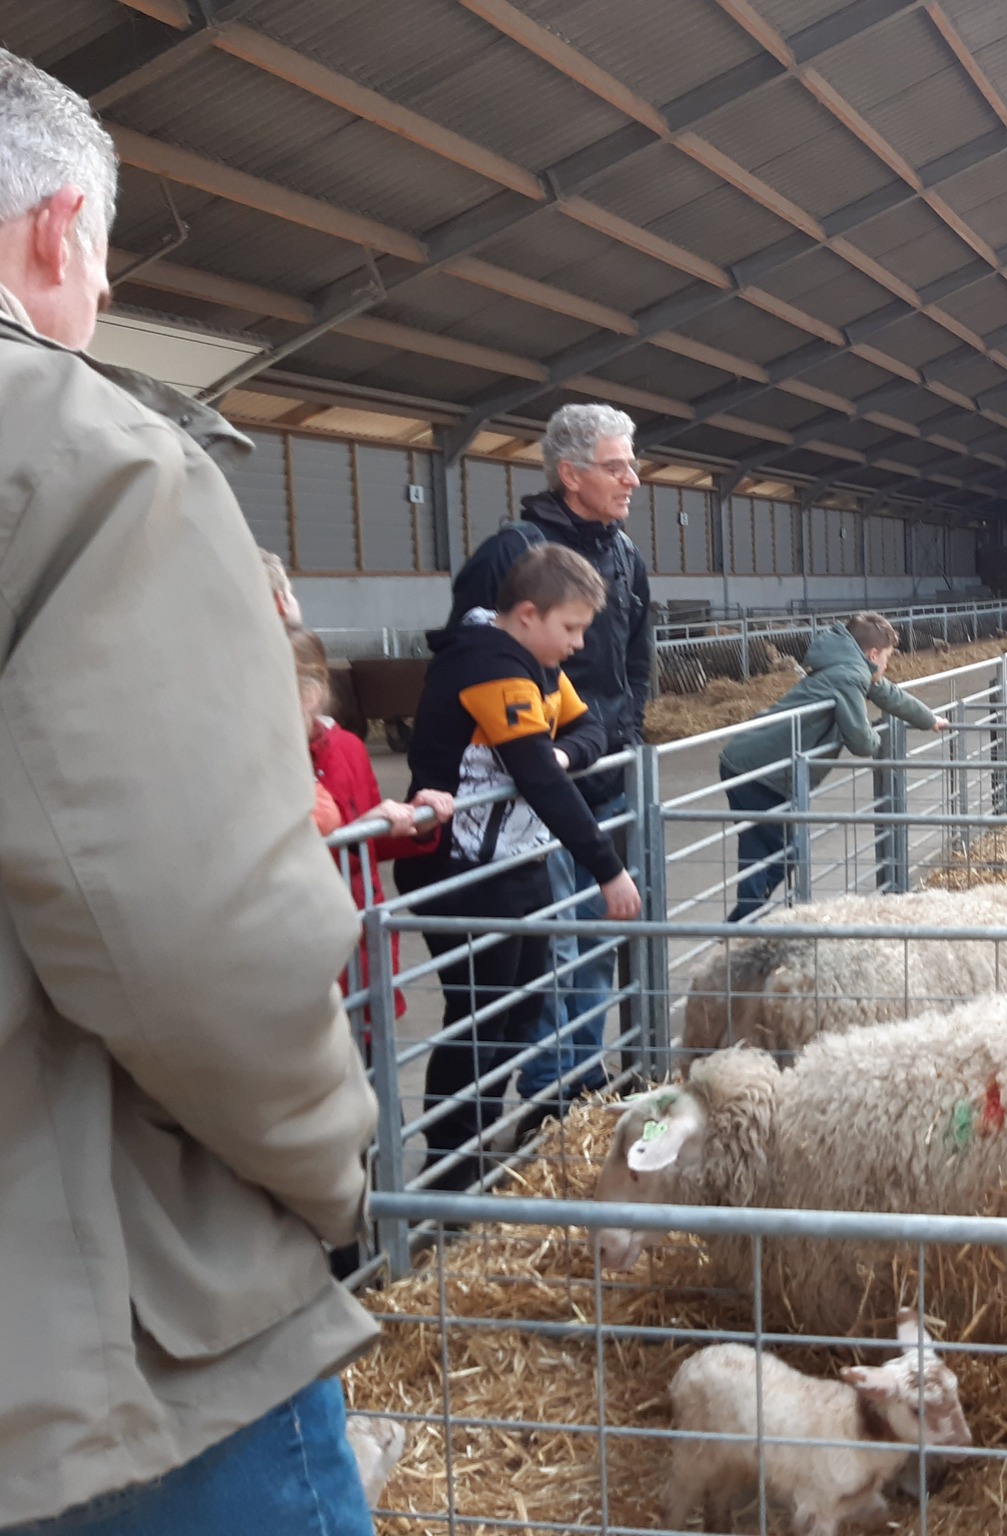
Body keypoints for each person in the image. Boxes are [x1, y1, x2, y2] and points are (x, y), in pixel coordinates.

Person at [0, 48, 379, 1534]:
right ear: (58, 229)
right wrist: (331, 1168)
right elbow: (186, 930)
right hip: (95, 1359)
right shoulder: (77, 456)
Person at [398, 545, 642, 1192]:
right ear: (528, 614)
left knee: (520, 1011)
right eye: (572, 628)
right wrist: (606, 868)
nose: (580, 643)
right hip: (463, 871)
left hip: (516, 865)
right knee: (479, 1018)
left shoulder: (533, 664)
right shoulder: (487, 662)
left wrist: (559, 754)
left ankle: (476, 1150)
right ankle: (449, 1166)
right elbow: (534, 774)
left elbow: (595, 734)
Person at [443, 402, 652, 1108]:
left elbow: (636, 664)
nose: (633, 480)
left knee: (593, 948)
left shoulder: (624, 555)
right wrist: (534, 753)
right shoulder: (512, 552)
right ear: (571, 474)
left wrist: (611, 737)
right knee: (544, 960)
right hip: (527, 796)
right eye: (616, 466)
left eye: (632, 463)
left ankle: (583, 1086)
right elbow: (470, 655)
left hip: (601, 778)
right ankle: (545, 1104)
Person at [716, 612, 949, 921]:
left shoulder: (846, 669)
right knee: (775, 851)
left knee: (774, 851)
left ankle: (746, 922)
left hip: (757, 766)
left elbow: (889, 694)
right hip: (759, 772)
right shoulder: (848, 676)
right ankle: (744, 925)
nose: (888, 666)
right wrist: (882, 739)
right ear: (873, 654)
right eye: (888, 658)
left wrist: (929, 719)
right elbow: (861, 741)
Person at [290, 627, 453, 1045]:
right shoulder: (256, 762)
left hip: (361, 950)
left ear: (312, 694)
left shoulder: (346, 748)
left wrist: (416, 824)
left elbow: (368, 841)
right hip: (298, 955)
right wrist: (357, 829)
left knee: (374, 1081)